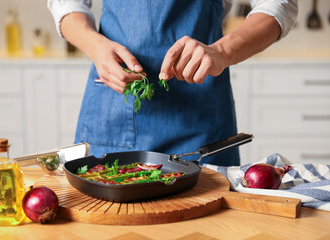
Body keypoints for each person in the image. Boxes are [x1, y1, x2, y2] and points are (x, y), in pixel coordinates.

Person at [47, 0, 297, 166]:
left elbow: (279, 5)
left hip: (202, 115)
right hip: (116, 109)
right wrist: (95, 45)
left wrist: (221, 52)